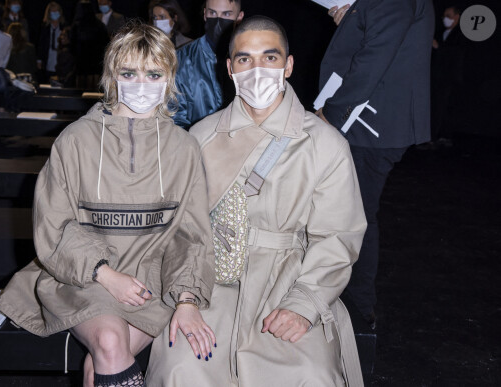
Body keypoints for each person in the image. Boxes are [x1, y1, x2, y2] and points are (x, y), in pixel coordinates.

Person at [0, 22, 216, 387]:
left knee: (104, 362)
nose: (141, 84)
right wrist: (106, 275)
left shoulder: (184, 147)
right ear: (113, 75)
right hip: (83, 277)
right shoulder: (75, 140)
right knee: (110, 342)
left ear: (170, 78)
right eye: (129, 72)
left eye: (153, 73)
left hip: (152, 280)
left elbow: (191, 234)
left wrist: (187, 298)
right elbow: (54, 224)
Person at [147, 16, 367, 386]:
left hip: (288, 283)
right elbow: (182, 230)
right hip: (208, 284)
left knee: (310, 375)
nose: (257, 69)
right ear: (230, 68)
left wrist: (304, 305)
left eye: (270, 57)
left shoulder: (325, 144)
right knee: (180, 370)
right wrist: (185, 298)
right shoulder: (202, 136)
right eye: (245, 59)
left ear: (289, 64)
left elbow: (338, 236)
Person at [317, 0, 434, 329]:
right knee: (354, 213)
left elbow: (374, 58)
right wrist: (352, 17)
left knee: (355, 216)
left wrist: (332, 111)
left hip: (370, 124)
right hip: (372, 123)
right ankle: (354, 303)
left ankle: (357, 307)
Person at [173, 0, 244, 129]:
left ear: (239, 17)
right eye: (213, 13)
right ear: (205, 14)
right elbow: (174, 117)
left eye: (226, 14)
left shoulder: (249, 59)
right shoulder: (181, 59)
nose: (218, 21)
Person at [430, 5, 465, 147]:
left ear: (457, 17)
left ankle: (441, 136)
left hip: (449, 78)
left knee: (444, 108)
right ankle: (435, 136)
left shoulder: (461, 35)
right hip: (436, 77)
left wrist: (440, 48)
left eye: (449, 16)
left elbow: (458, 54)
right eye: (444, 16)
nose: (446, 19)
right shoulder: (439, 33)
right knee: (435, 107)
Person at [71, 0, 110, 90]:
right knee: (94, 95)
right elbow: (106, 44)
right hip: (96, 66)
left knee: (79, 94)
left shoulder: (77, 26)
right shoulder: (100, 25)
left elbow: (72, 47)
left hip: (81, 66)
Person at [37, 1, 66, 84]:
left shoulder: (64, 26)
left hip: (60, 56)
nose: (54, 13)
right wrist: (39, 60)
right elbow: (41, 43)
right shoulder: (45, 26)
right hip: (48, 56)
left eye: (56, 11)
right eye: (52, 11)